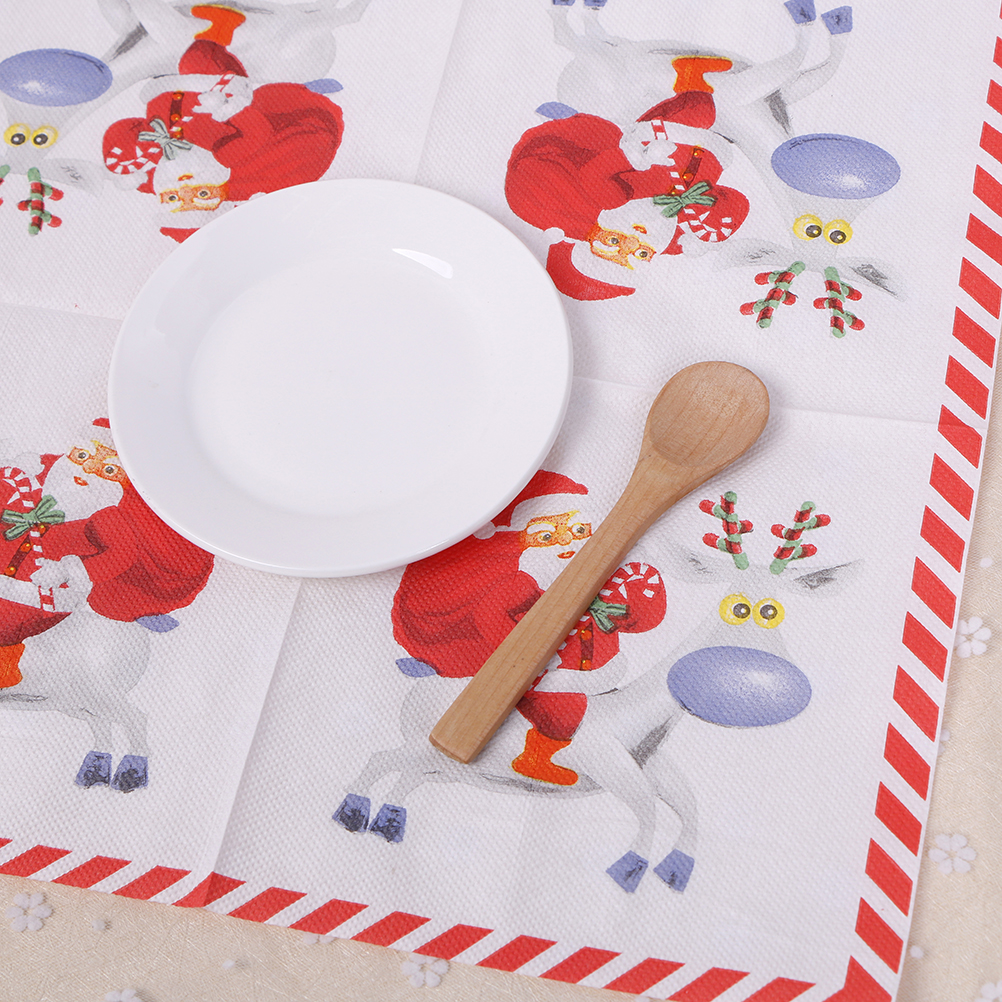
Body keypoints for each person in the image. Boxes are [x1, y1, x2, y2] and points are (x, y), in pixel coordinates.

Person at [392, 470, 666, 785]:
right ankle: (534, 757)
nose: (565, 542)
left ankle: (536, 757)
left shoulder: (569, 592)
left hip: (552, 658)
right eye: (548, 536)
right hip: (503, 650)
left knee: (569, 708)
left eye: (577, 530)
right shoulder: (517, 584)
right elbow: (490, 616)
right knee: (560, 707)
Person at [0, 419, 213, 688]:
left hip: (39, 597)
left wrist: (71, 570)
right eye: (82, 456)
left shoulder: (107, 518)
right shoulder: (28, 485)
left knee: (11, 630)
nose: (87, 470)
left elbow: (121, 554)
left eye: (108, 469)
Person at [102, 4, 343, 242]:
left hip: (164, 82)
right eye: (202, 193)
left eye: (173, 198)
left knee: (151, 49)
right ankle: (218, 28)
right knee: (197, 59)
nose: (185, 185)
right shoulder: (225, 157)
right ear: (219, 193)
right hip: (213, 83)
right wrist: (230, 109)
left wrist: (124, 165)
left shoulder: (154, 167)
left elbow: (125, 131)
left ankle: (146, 27)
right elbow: (257, 131)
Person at [504, 83, 748, 301]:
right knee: (712, 112)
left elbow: (596, 174)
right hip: (712, 153)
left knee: (697, 106)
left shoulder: (615, 199)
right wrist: (703, 235)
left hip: (660, 135)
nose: (633, 240)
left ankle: (694, 85)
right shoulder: (669, 235)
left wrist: (633, 157)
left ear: (595, 233)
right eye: (640, 253)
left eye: (614, 241)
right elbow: (733, 205)